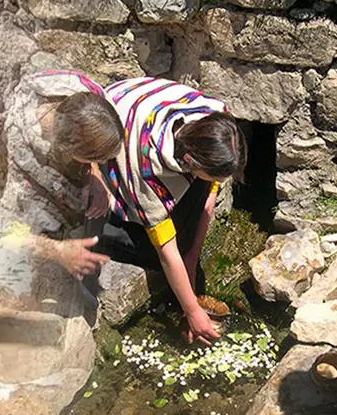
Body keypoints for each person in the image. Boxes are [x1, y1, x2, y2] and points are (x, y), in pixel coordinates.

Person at [64, 76, 248, 346]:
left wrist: (192, 257)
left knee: (184, 235)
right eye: (209, 175)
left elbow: (211, 191)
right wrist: (193, 311)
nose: (215, 182)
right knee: (148, 251)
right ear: (189, 162)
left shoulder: (216, 120)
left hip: (141, 110)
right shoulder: (148, 173)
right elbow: (165, 251)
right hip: (109, 134)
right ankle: (106, 230)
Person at [0, 70, 123, 279]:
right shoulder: (7, 150)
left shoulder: (86, 93)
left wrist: (96, 177)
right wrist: (56, 250)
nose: (103, 163)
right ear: (68, 150)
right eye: (97, 157)